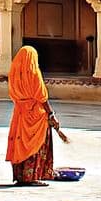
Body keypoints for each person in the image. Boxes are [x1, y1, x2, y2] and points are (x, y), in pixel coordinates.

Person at [4, 44, 60, 185]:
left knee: (19, 143)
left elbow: (13, 95)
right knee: (35, 144)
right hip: (36, 115)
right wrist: (51, 114)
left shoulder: (13, 75)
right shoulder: (33, 73)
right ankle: (33, 177)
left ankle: (21, 176)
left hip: (20, 113)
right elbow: (42, 97)